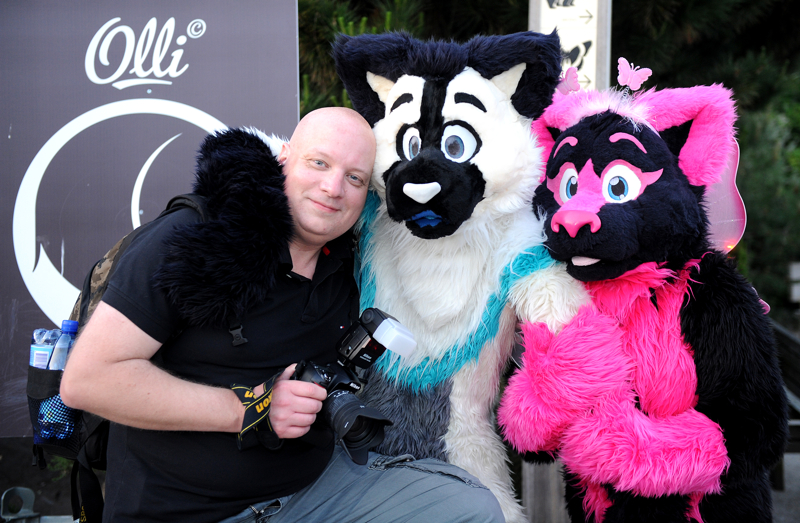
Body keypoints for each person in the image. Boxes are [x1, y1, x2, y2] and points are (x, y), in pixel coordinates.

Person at [60, 107, 505, 523]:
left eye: (354, 177)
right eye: (319, 163)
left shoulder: (352, 259)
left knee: (470, 508)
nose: (333, 188)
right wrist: (251, 409)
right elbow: (88, 380)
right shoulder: (196, 237)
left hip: (314, 490)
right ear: (283, 159)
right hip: (186, 509)